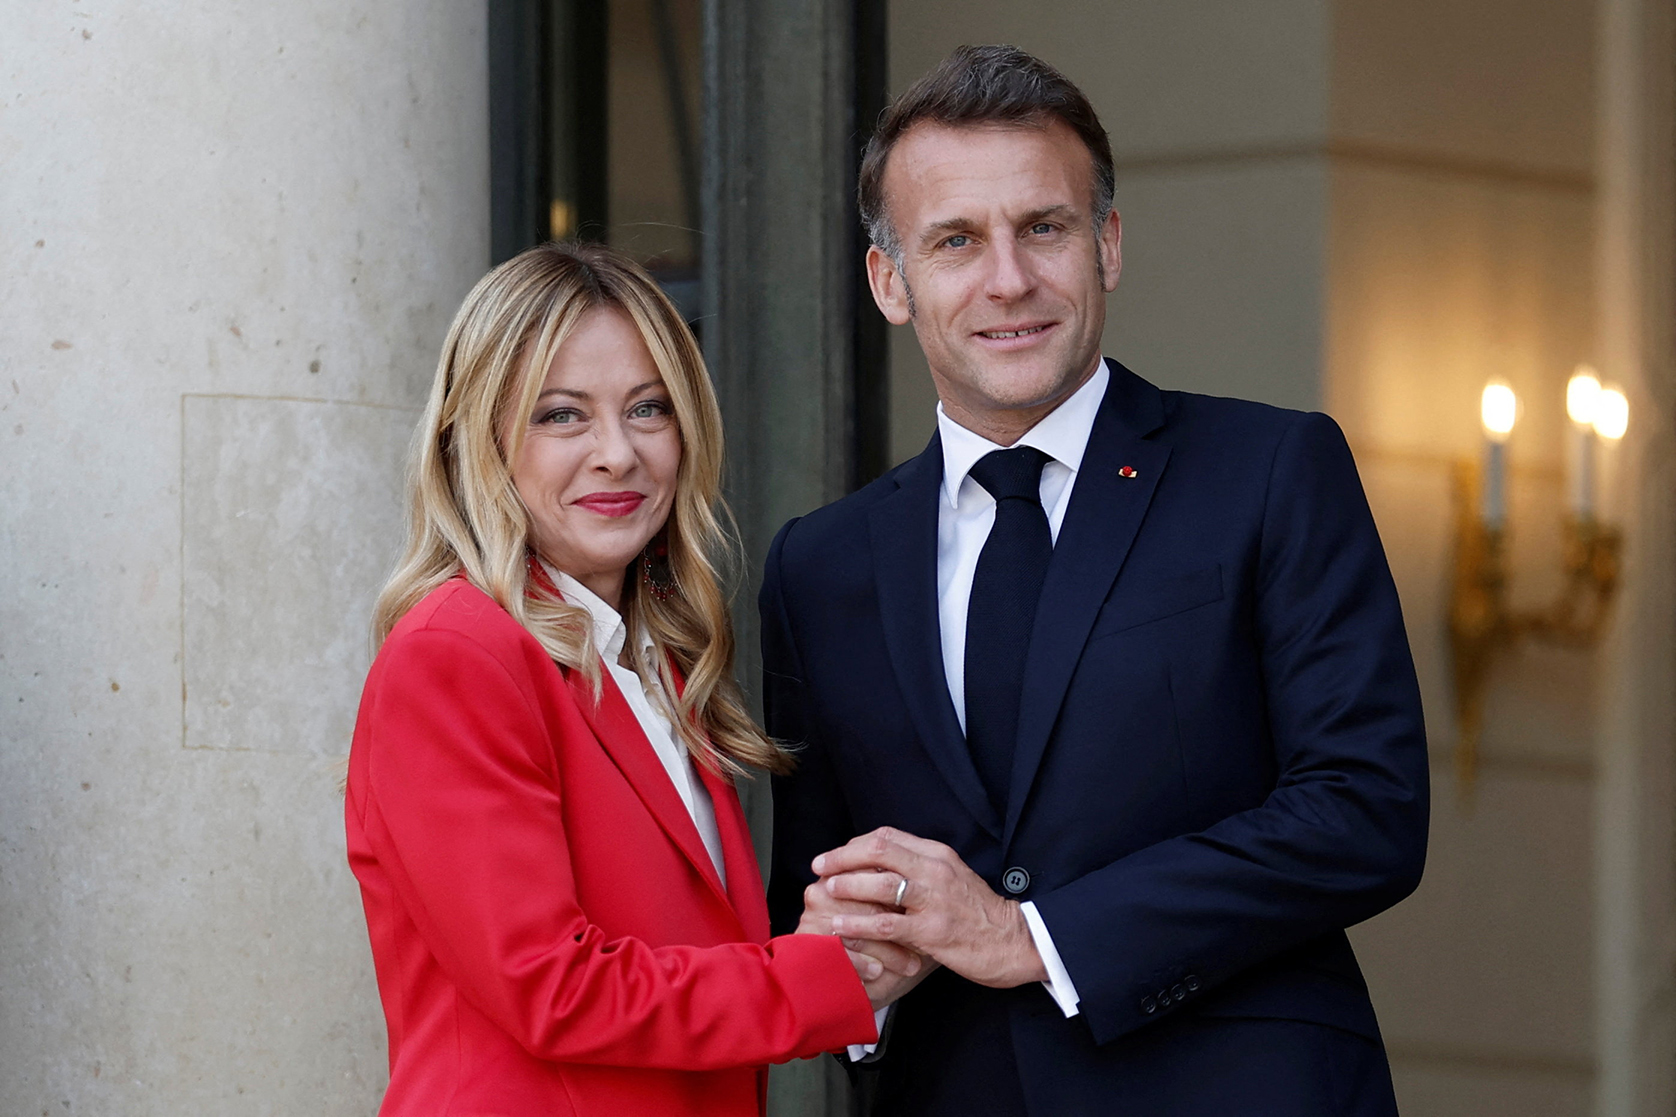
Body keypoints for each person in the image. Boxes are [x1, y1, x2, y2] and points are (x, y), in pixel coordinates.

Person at [763, 45, 1429, 1116]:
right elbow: (819, 891)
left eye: (1043, 227)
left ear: (1106, 244)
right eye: (955, 240)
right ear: (890, 282)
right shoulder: (819, 565)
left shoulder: (1268, 470)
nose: (1008, 280)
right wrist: (856, 973)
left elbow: (1365, 808)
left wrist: (1032, 935)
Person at [345, 242, 880, 1117]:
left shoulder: (654, 661)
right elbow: (552, 986)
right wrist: (820, 976)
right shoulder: (455, 654)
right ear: (478, 438)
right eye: (562, 415)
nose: (618, 454)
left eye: (647, 408)